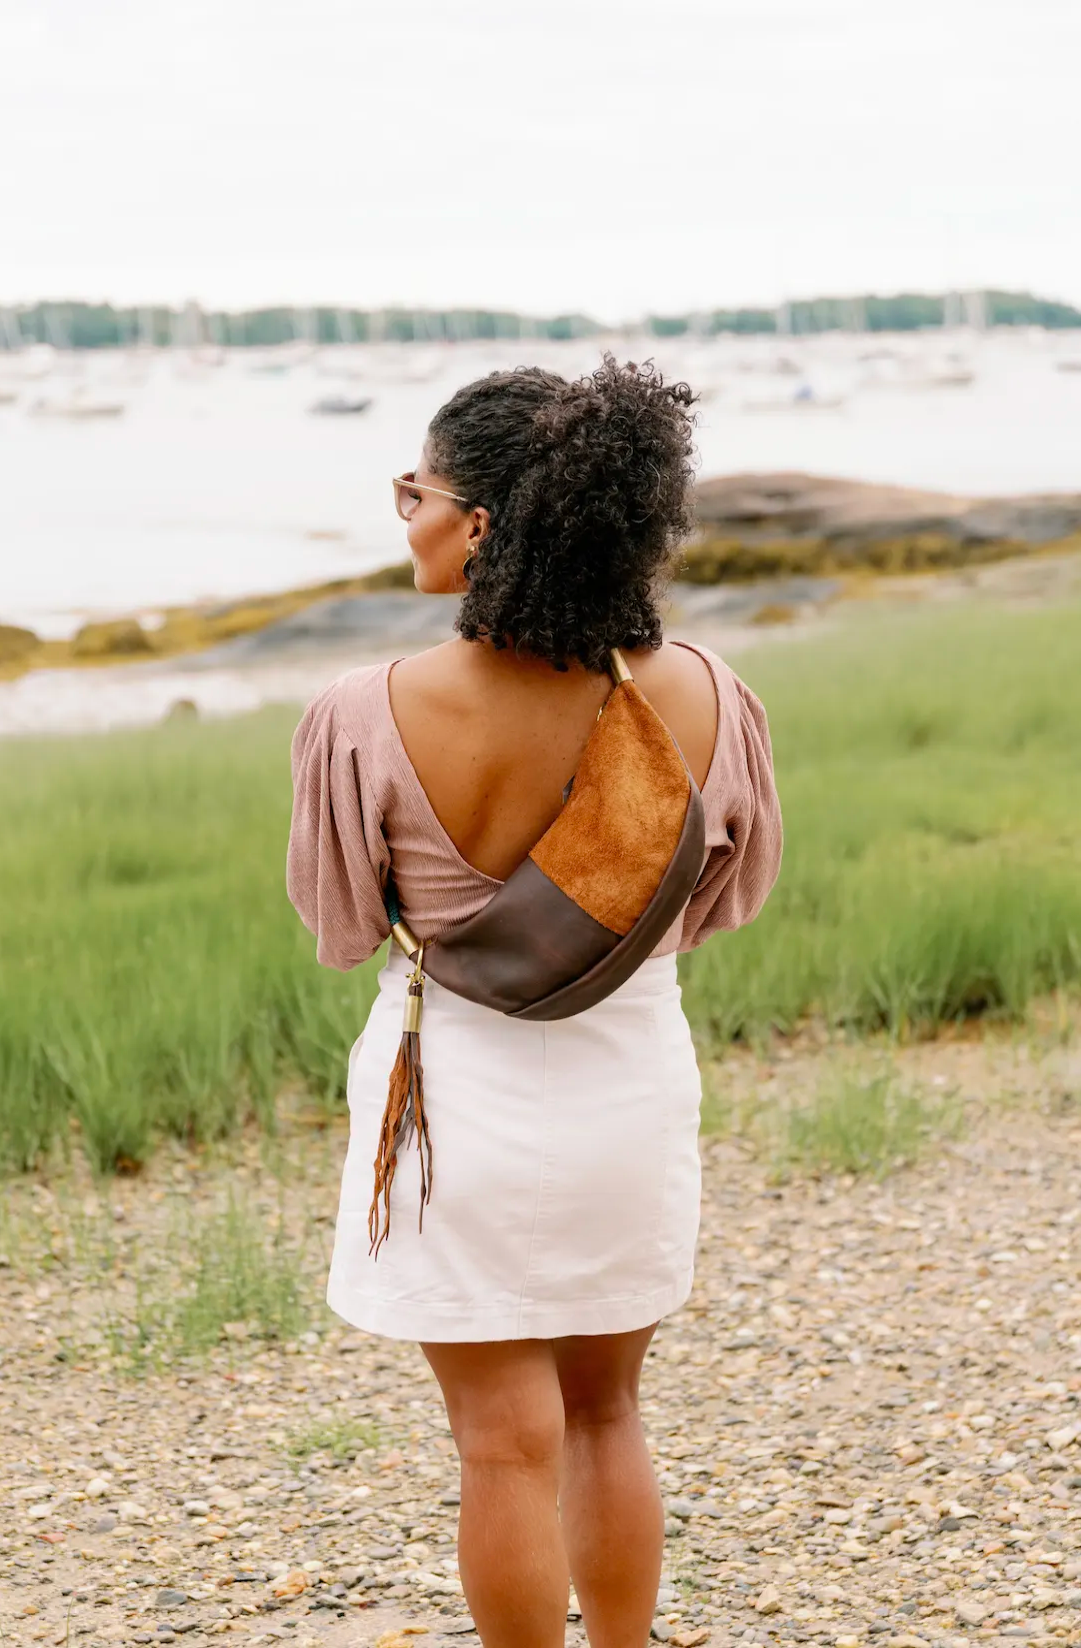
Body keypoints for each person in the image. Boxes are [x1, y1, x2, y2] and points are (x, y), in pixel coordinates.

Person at [286, 356, 782, 1648]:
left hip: (456, 1109)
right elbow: (722, 905)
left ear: (483, 523)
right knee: (607, 1414)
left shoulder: (361, 712)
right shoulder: (709, 696)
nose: (403, 514)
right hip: (628, 1089)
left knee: (501, 1450)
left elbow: (343, 933)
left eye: (415, 491)